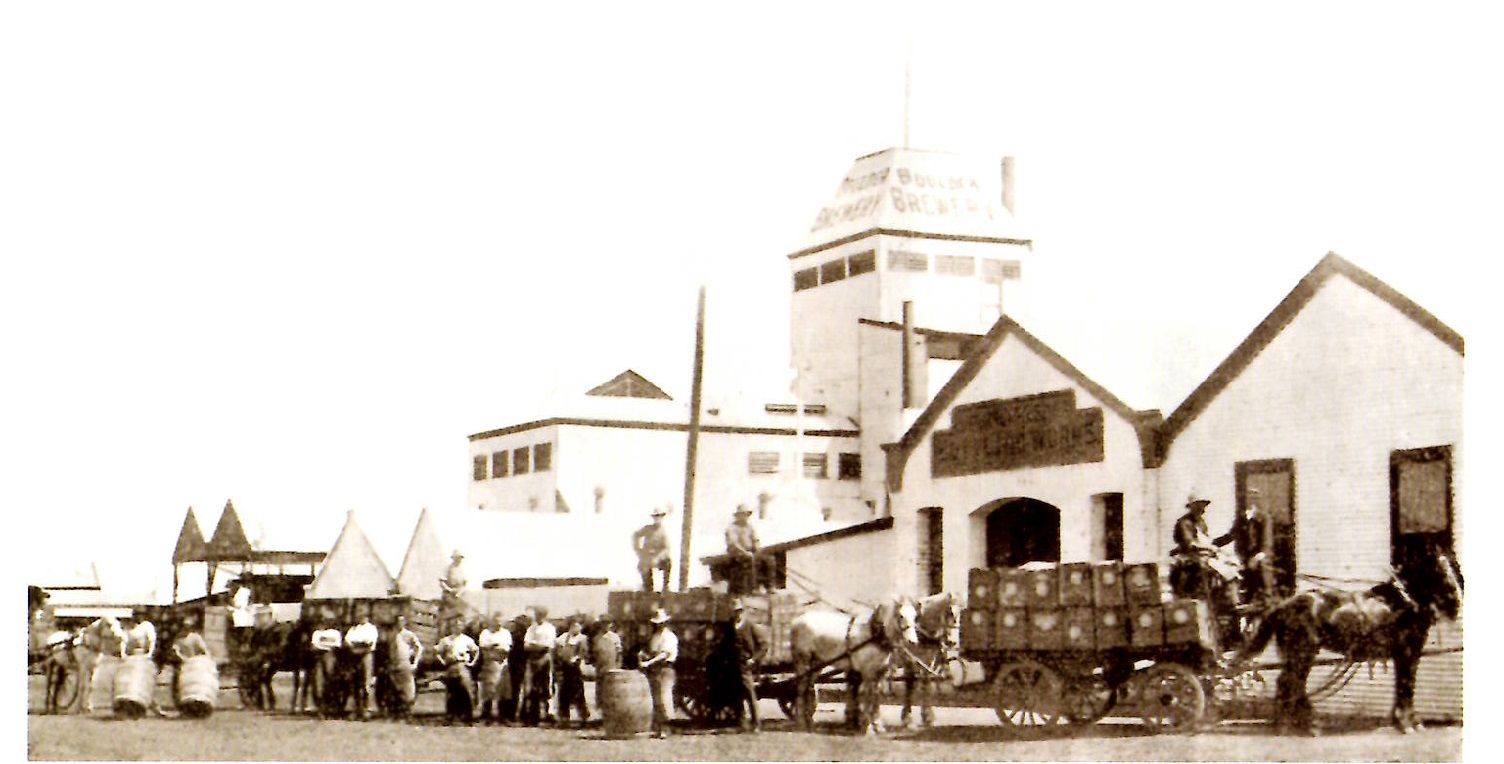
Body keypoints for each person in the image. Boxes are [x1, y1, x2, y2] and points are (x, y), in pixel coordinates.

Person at [1214, 487, 1278, 607]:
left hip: (1261, 556)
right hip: (1246, 558)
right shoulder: (1241, 519)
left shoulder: (1264, 518)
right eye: (1247, 498)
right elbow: (1230, 536)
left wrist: (1257, 557)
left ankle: (1266, 598)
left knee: (1262, 567)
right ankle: (1244, 600)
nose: (1250, 500)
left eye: (1253, 498)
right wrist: (1211, 544)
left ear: (1257, 500)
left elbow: (1266, 542)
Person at [638, 608, 678, 739]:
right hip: (655, 670)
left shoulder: (670, 637)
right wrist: (644, 656)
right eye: (657, 623)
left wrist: (649, 663)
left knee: (664, 698)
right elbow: (653, 652)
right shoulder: (655, 637)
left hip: (666, 669)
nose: (658, 625)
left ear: (665, 623)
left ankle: (667, 728)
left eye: (661, 623)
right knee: (656, 700)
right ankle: (658, 727)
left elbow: (664, 654)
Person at [729, 599, 767, 733]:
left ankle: (756, 723)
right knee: (736, 695)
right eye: (734, 612)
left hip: (746, 665)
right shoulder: (731, 626)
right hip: (733, 666)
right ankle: (741, 723)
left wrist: (753, 659)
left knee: (750, 694)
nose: (737, 614)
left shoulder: (750, 626)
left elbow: (763, 646)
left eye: (739, 611)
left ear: (742, 612)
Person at [519, 606, 557, 726]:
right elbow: (526, 645)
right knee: (531, 687)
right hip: (532, 659)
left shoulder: (550, 628)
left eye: (540, 614)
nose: (537, 617)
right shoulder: (531, 628)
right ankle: (533, 715)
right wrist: (536, 646)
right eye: (536, 614)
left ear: (544, 616)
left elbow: (548, 645)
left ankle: (549, 714)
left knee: (546, 687)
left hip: (545, 658)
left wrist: (536, 645)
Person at [726, 505, 775, 595]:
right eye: (742, 515)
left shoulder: (750, 527)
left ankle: (770, 586)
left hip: (750, 552)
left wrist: (756, 547)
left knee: (769, 559)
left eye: (746, 515)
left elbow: (755, 539)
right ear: (738, 516)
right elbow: (734, 544)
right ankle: (754, 588)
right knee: (750, 560)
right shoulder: (732, 528)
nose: (745, 517)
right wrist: (745, 553)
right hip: (737, 554)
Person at [436, 623, 478, 724]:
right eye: (455, 626)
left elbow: (476, 651)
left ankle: (468, 717)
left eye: (460, 626)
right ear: (452, 627)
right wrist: (443, 662)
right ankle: (450, 716)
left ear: (462, 627)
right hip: (451, 666)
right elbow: (437, 652)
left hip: (462, 665)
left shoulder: (467, 639)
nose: (457, 627)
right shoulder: (446, 640)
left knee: (466, 691)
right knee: (451, 692)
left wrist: (472, 662)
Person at [477, 613, 513, 724]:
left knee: (503, 690)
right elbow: (483, 647)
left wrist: (495, 647)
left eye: (500, 621)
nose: (498, 623)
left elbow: (507, 648)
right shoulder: (485, 633)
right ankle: (487, 715)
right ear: (492, 621)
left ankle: (503, 716)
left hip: (502, 663)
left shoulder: (506, 633)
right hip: (489, 663)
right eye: (496, 620)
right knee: (489, 689)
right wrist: (494, 646)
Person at [554, 617, 590, 728]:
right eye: (574, 625)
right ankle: (564, 718)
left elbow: (584, 653)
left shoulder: (582, 639)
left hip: (576, 668)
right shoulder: (564, 637)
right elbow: (558, 649)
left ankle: (583, 717)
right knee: (563, 693)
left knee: (578, 693)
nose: (577, 628)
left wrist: (577, 658)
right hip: (565, 668)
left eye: (579, 625)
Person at [388, 614, 423, 720]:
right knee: (396, 689)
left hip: (405, 663)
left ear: (404, 623)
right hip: (394, 664)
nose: (400, 624)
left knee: (408, 689)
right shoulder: (392, 635)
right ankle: (397, 714)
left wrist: (415, 663)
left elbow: (419, 648)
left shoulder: (408, 635)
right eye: (398, 622)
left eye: (402, 621)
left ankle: (408, 714)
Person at [345, 614, 379, 720]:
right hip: (355, 656)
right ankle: (356, 709)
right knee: (355, 683)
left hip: (366, 655)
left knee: (366, 683)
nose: (362, 619)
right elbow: (347, 640)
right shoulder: (354, 629)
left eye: (364, 617)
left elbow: (369, 642)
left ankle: (366, 710)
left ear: (367, 618)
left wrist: (359, 644)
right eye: (360, 617)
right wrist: (354, 645)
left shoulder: (371, 628)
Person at [631, 507, 673, 592]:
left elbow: (666, 548)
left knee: (668, 562)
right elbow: (635, 535)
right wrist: (638, 550)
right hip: (647, 558)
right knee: (644, 570)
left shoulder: (663, 532)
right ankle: (648, 590)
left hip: (657, 558)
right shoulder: (647, 529)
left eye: (659, 516)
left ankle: (665, 587)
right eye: (656, 516)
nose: (657, 518)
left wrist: (658, 557)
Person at [309, 619, 344, 717]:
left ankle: (332, 707)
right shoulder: (317, 633)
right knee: (319, 682)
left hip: (331, 656)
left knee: (331, 680)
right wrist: (326, 645)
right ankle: (321, 708)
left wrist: (323, 645)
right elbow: (314, 646)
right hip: (319, 657)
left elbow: (337, 645)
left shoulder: (335, 633)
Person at [591, 617, 622, 716]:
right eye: (604, 623)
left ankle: (612, 715)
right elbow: (594, 655)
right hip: (600, 669)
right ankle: (602, 715)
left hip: (612, 668)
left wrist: (618, 667)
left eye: (609, 623)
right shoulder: (596, 638)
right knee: (600, 692)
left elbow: (619, 654)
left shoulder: (615, 637)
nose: (607, 626)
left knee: (612, 691)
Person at [439, 550, 469, 629]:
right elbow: (442, 583)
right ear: (453, 558)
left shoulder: (462, 570)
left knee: (465, 609)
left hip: (459, 594)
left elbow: (464, 584)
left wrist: (460, 592)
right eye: (457, 558)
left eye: (460, 558)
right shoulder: (448, 568)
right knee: (452, 609)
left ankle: (461, 626)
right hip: (448, 593)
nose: (459, 560)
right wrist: (449, 590)